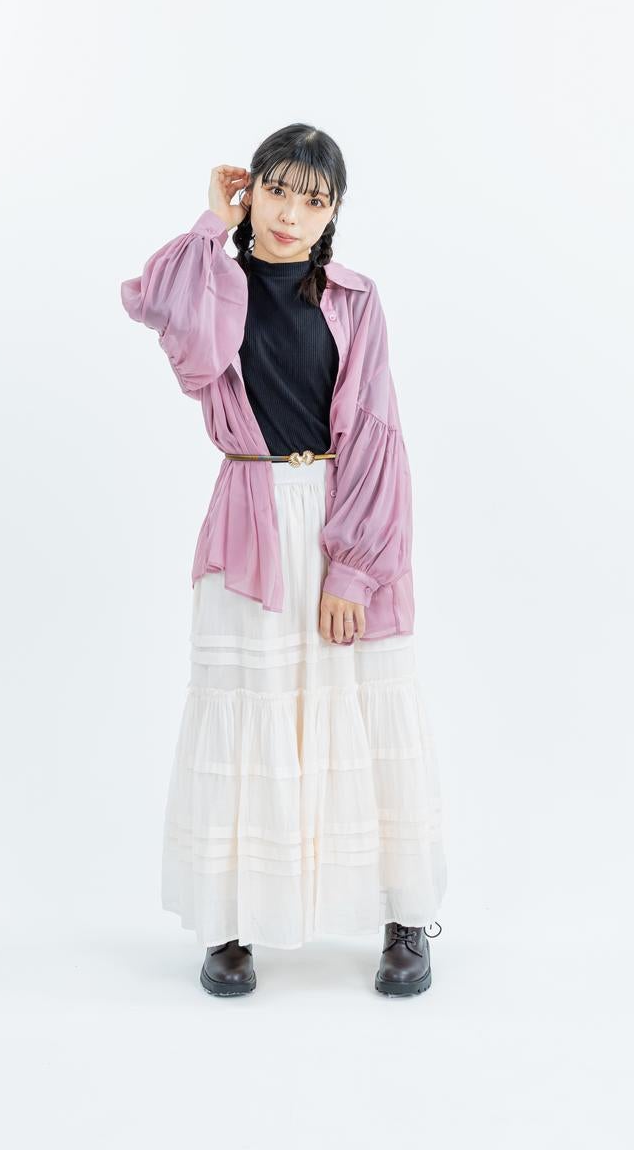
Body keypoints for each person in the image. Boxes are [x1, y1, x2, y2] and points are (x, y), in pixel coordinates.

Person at [120, 123, 447, 998]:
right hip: (249, 513)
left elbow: (378, 434)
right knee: (249, 705)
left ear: (334, 211)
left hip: (344, 513)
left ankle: (404, 919)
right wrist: (207, 219)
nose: (293, 214)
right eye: (278, 190)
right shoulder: (212, 282)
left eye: (315, 198)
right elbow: (158, 306)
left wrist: (354, 569)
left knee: (364, 714)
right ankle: (232, 926)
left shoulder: (354, 299)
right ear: (250, 189)